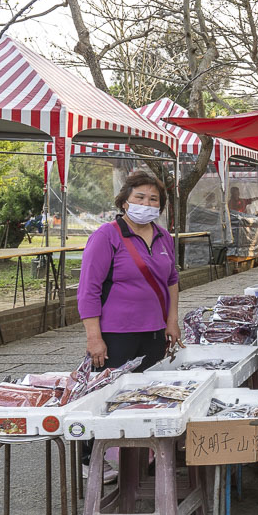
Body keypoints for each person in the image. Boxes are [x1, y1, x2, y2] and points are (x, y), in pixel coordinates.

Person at [77, 172, 183, 479]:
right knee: (106, 397)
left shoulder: (164, 238)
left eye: (153, 199)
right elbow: (88, 291)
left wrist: (172, 321)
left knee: (147, 397)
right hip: (115, 335)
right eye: (139, 197)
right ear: (125, 201)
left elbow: (172, 281)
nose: (146, 204)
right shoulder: (106, 236)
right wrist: (94, 337)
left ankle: (140, 457)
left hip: (153, 334)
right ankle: (90, 459)